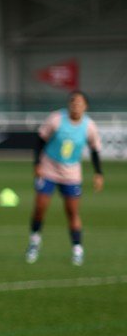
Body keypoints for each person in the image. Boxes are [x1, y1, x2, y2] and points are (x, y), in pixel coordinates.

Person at [26, 90, 103, 266]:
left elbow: (95, 150)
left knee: (72, 212)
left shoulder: (89, 126)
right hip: (49, 168)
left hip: (71, 173)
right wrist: (37, 164)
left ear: (85, 106)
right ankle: (34, 242)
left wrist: (98, 173)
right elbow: (40, 140)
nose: (75, 106)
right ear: (69, 104)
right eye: (73, 102)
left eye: (79, 103)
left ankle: (77, 249)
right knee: (40, 207)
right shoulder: (56, 119)